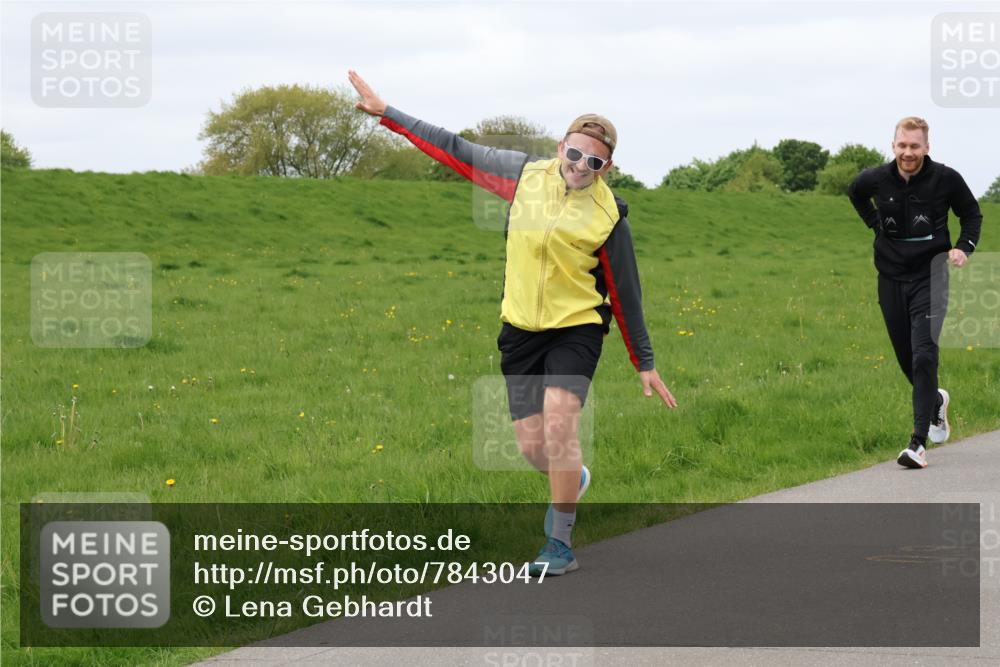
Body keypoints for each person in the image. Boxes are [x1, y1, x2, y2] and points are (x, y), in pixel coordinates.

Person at [348, 70, 677, 574]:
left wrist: (645, 362)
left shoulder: (610, 216)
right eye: (574, 154)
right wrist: (386, 113)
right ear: (560, 146)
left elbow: (625, 293)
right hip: (519, 330)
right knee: (531, 447)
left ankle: (559, 544)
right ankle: (573, 478)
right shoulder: (522, 176)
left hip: (576, 329)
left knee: (562, 425)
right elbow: (452, 147)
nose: (580, 167)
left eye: (594, 161)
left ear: (607, 166)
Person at [848, 116, 983, 469]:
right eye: (902, 145)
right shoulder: (875, 179)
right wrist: (874, 224)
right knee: (907, 357)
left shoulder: (945, 178)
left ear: (927, 147)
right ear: (893, 146)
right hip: (890, 277)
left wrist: (963, 247)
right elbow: (855, 193)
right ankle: (935, 400)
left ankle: (917, 443)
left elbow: (971, 213)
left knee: (924, 354)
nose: (908, 152)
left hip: (931, 274)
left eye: (915, 146)